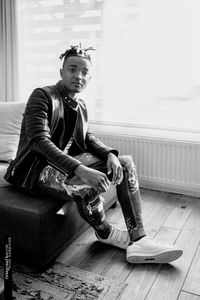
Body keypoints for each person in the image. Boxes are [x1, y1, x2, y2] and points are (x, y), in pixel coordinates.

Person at [4, 44, 183, 264]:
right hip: (33, 171)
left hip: (61, 165)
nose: (78, 75)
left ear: (90, 78)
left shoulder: (80, 105)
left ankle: (139, 239)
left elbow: (87, 137)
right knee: (83, 182)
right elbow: (39, 140)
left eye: (85, 72)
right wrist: (81, 169)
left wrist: (110, 154)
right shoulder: (42, 96)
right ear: (61, 72)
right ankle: (106, 232)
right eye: (72, 69)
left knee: (125, 162)